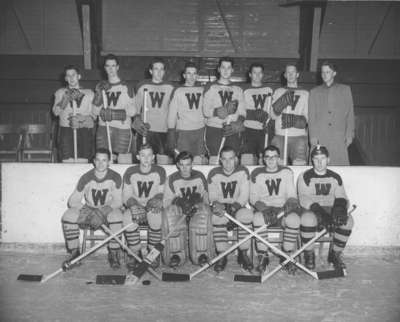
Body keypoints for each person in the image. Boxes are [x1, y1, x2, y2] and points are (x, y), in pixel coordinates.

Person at [61, 148, 124, 269]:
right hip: (90, 209)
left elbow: (118, 201)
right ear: (94, 161)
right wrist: (87, 210)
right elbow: (72, 200)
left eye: (104, 160)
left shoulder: (115, 177)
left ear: (109, 161)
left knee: (117, 217)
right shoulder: (86, 177)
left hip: (107, 210)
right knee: (68, 216)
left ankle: (114, 253)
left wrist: (103, 211)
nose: (101, 163)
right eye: (98, 160)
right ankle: (75, 253)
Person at [297, 145, 354, 270]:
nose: (319, 162)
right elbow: (304, 198)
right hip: (312, 209)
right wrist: (321, 214)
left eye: (322, 158)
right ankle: (309, 254)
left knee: (348, 221)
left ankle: (335, 254)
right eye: (316, 159)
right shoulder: (304, 176)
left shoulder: (335, 176)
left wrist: (339, 209)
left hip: (330, 208)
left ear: (328, 159)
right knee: (307, 220)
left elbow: (342, 196)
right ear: (312, 160)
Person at [250, 145, 301, 274]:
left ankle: (286, 255)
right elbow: (253, 197)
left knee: (294, 219)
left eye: (274, 157)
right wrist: (264, 209)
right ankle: (263, 256)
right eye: (267, 157)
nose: (271, 160)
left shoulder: (286, 172)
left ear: (279, 158)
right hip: (265, 210)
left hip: (282, 210)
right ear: (263, 159)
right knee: (256, 218)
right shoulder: (257, 173)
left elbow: (292, 195)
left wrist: (290, 203)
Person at [162, 151, 214, 267]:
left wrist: (199, 202)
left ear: (192, 164)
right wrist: (179, 202)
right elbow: (166, 201)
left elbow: (206, 197)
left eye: (188, 164)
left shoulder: (199, 176)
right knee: (171, 214)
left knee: (204, 214)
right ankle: (175, 254)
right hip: (180, 213)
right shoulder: (171, 179)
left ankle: (201, 254)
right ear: (177, 165)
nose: (185, 168)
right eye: (182, 165)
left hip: (196, 211)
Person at [208, 146, 253, 272]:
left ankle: (243, 253)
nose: (228, 162)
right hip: (221, 207)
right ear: (220, 160)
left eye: (231, 159)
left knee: (246, 216)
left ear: (236, 159)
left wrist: (233, 208)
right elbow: (212, 195)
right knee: (216, 218)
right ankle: (222, 255)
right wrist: (217, 204)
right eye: (224, 159)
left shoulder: (243, 171)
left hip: (238, 206)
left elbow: (244, 194)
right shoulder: (214, 173)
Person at [121, 143, 166, 271]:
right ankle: (135, 253)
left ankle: (153, 253)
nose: (146, 159)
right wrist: (133, 205)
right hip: (136, 204)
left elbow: (161, 191)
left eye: (149, 155)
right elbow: (126, 194)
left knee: (156, 217)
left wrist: (156, 200)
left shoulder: (160, 171)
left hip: (151, 204)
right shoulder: (130, 172)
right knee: (127, 219)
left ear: (153, 157)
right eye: (143, 155)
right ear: (137, 157)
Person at [308, 61, 355, 165]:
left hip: (339, 136)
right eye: (322, 72)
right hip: (320, 136)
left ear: (334, 73)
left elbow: (350, 114)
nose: (324, 75)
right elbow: (311, 117)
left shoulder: (345, 90)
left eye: (328, 72)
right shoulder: (314, 92)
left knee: (340, 168)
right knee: (318, 166)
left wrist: (349, 135)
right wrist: (312, 136)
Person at [92, 54, 136, 163]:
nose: (111, 69)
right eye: (108, 66)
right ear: (104, 68)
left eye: (113, 66)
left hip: (122, 129)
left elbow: (133, 111)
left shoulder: (126, 86)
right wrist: (99, 96)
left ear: (118, 67)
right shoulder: (101, 86)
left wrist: (113, 114)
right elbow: (94, 111)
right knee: (103, 160)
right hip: (103, 128)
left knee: (124, 161)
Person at [203, 57, 246, 164]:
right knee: (215, 160)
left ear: (232, 70)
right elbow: (205, 111)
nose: (226, 70)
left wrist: (238, 123)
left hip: (232, 129)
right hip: (215, 129)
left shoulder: (238, 89)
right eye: (223, 67)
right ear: (218, 69)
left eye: (228, 68)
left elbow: (242, 112)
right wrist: (219, 111)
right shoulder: (211, 86)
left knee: (232, 161)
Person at [133, 58, 175, 164]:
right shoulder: (142, 86)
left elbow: (174, 111)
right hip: (146, 130)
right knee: (145, 161)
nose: (159, 72)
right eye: (156, 69)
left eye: (161, 69)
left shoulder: (171, 87)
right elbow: (135, 109)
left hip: (164, 130)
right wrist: (136, 120)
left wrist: (172, 130)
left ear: (164, 72)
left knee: (163, 162)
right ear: (150, 71)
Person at [52, 65, 95, 162]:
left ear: (79, 76)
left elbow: (94, 116)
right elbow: (55, 113)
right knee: (67, 161)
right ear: (65, 78)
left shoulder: (89, 93)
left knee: (84, 161)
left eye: (73, 75)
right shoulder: (60, 92)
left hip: (84, 131)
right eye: (68, 75)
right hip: (66, 131)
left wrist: (82, 120)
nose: (71, 78)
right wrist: (65, 99)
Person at [167, 62, 206, 164]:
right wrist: (171, 133)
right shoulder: (178, 90)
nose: (192, 76)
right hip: (183, 132)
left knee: (198, 161)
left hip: (200, 130)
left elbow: (206, 111)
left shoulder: (203, 90)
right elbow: (172, 114)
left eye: (194, 73)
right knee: (184, 161)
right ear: (184, 75)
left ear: (197, 76)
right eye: (189, 73)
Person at [271, 63, 309, 165]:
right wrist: (281, 104)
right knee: (277, 166)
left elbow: (308, 118)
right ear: (285, 75)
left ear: (297, 74)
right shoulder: (278, 91)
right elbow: (272, 115)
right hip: (280, 135)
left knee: (299, 165)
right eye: (288, 72)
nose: (291, 74)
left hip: (299, 136)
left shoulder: (305, 93)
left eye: (293, 72)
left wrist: (295, 120)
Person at [241, 63, 273, 165]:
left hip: (264, 130)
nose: (257, 75)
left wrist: (270, 121)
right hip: (248, 130)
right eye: (255, 73)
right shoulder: (243, 90)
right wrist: (254, 114)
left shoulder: (270, 90)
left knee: (264, 160)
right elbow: (240, 110)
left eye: (260, 73)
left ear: (263, 74)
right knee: (247, 159)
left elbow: (273, 110)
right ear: (250, 74)